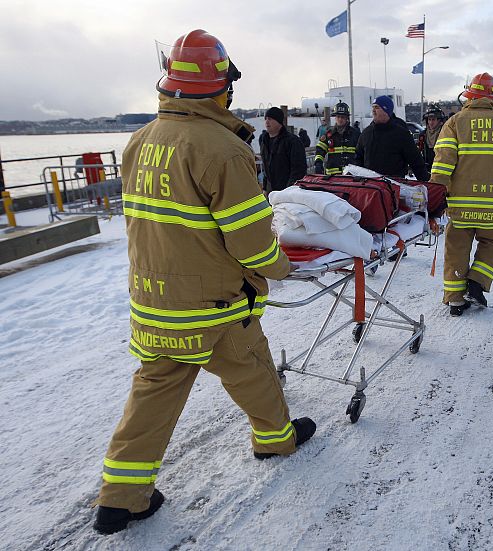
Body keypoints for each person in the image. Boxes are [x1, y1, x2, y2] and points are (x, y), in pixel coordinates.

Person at [92, 29, 316, 535]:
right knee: (250, 368)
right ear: (222, 88)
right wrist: (282, 268)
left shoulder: (139, 143)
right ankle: (276, 439)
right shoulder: (221, 150)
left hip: (154, 300)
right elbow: (251, 243)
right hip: (214, 304)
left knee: (154, 391)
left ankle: (120, 498)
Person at [430, 72, 493, 317]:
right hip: (491, 206)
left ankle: (455, 300)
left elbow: (443, 164)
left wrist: (434, 198)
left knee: (456, 248)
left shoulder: (454, 122)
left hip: (459, 205)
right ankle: (476, 282)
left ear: (468, 94)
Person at [354, 95, 429, 180]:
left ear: (387, 110)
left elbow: (416, 162)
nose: (373, 111)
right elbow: (358, 158)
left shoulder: (401, 134)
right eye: (373, 107)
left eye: (377, 107)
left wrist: (427, 185)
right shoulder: (366, 133)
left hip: (394, 187)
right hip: (371, 188)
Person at [258, 106, 307, 193]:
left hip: (287, 191)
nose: (267, 122)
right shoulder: (264, 141)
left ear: (279, 121)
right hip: (271, 192)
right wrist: (265, 187)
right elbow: (266, 167)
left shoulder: (292, 141)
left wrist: (289, 190)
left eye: (270, 119)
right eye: (266, 119)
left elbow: (298, 169)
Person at [314, 101, 358, 176]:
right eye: (338, 117)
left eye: (342, 117)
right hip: (332, 176)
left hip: (351, 175)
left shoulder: (355, 134)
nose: (340, 119)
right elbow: (320, 150)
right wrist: (318, 163)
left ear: (347, 118)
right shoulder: (329, 134)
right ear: (335, 117)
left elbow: (361, 152)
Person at [418, 104, 446, 174]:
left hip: (442, 170)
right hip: (427, 170)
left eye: (433, 120)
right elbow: (419, 151)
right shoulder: (423, 135)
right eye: (429, 120)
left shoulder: (445, 134)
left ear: (440, 121)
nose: (431, 122)